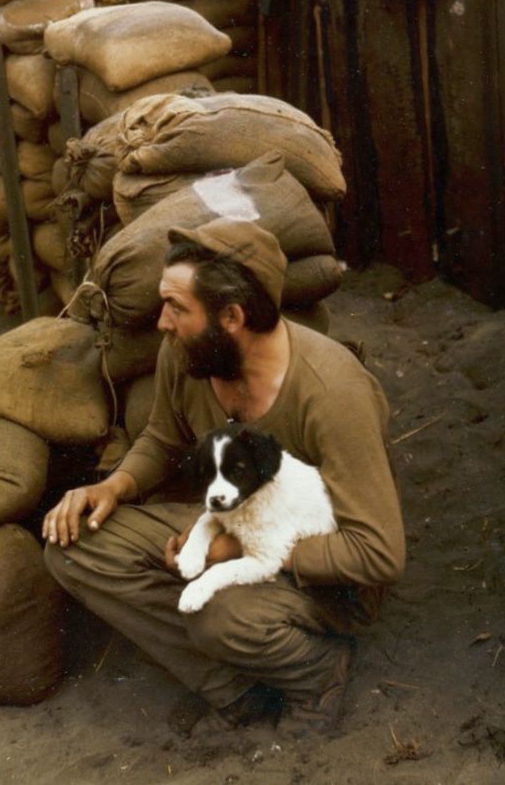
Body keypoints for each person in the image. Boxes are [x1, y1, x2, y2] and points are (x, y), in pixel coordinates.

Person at [43, 218, 405, 736]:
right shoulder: (188, 355)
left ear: (231, 316)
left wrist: (239, 552)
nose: (162, 322)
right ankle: (237, 690)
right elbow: (163, 438)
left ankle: (317, 672)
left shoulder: (331, 394)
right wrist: (113, 487)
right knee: (73, 547)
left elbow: (377, 553)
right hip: (230, 524)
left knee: (215, 617)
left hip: (326, 569)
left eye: (177, 308)